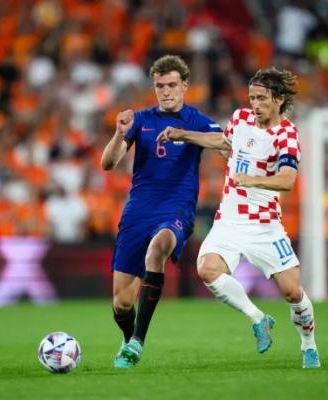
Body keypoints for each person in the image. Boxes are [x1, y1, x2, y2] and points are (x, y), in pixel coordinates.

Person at [157, 67, 320, 368]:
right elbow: (222, 142)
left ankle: (308, 345)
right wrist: (183, 135)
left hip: (265, 225)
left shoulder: (287, 135)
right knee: (207, 269)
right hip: (229, 220)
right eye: (252, 98)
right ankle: (258, 318)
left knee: (292, 292)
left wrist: (252, 179)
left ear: (279, 99)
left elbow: (287, 180)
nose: (255, 104)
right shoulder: (240, 118)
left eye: (262, 98)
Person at [100, 55, 223, 368]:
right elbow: (108, 163)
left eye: (171, 85)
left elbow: (225, 142)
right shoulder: (139, 120)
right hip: (138, 209)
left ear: (184, 85)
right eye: (160, 86)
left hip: (177, 206)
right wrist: (119, 133)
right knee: (121, 303)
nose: (166, 91)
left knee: (158, 249)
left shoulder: (196, 120)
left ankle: (137, 342)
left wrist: (185, 135)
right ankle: (128, 338)